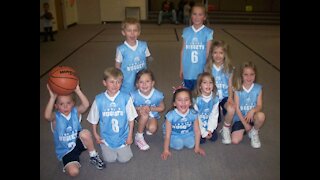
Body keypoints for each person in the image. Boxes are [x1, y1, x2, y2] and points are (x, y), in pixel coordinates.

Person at [44, 84, 105, 177]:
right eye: (61, 104)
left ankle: (93, 155)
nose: (65, 106)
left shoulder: (75, 111)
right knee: (74, 172)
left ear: (73, 103)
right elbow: (47, 116)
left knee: (85, 133)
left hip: (77, 142)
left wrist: (78, 91)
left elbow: (86, 105)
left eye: (68, 103)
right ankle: (71, 162)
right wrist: (52, 98)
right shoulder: (56, 118)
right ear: (56, 106)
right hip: (66, 150)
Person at [87, 67, 138, 163]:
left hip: (123, 136)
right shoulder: (99, 100)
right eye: (112, 82)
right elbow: (94, 119)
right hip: (106, 137)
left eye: (118, 82)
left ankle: (123, 147)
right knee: (110, 159)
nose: (115, 85)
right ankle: (106, 146)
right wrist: (95, 134)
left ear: (121, 83)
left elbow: (131, 119)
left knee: (124, 159)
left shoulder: (126, 98)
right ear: (104, 83)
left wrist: (130, 136)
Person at [161, 87, 205, 160]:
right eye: (179, 100)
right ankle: (177, 140)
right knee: (178, 145)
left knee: (191, 144)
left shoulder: (193, 114)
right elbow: (168, 134)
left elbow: (197, 131)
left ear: (190, 102)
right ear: (174, 103)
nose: (183, 103)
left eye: (186, 100)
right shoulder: (171, 116)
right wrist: (166, 150)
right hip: (174, 134)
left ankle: (186, 139)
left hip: (188, 133)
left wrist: (197, 147)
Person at [205, 40, 235, 145]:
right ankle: (218, 113)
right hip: (213, 97)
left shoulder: (229, 68)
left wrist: (230, 98)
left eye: (221, 53)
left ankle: (226, 128)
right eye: (215, 52)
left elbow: (230, 85)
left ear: (225, 54)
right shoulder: (208, 68)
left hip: (225, 97)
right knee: (215, 121)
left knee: (231, 109)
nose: (218, 55)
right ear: (211, 54)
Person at [231, 61, 266, 148]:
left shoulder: (258, 88)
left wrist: (252, 110)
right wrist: (244, 123)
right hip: (240, 118)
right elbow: (237, 109)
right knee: (235, 141)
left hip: (252, 117)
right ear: (241, 75)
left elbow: (259, 106)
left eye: (252, 74)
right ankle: (246, 129)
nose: (249, 77)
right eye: (246, 74)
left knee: (261, 116)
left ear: (255, 75)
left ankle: (254, 131)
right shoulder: (237, 89)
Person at [179, 4, 213, 91]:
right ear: (191, 16)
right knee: (187, 94)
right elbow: (183, 51)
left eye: (200, 14)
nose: (197, 17)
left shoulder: (208, 32)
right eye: (194, 14)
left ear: (204, 17)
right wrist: (181, 68)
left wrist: (207, 70)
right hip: (188, 69)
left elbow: (208, 53)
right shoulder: (186, 31)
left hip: (201, 70)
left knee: (200, 94)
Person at [131, 69, 165, 150]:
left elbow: (162, 108)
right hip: (138, 114)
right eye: (141, 82)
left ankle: (145, 124)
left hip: (151, 114)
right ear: (137, 85)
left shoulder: (157, 95)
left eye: (147, 81)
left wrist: (150, 108)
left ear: (152, 83)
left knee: (152, 129)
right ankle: (139, 136)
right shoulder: (134, 95)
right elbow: (129, 109)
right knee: (144, 115)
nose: (144, 84)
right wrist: (139, 108)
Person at [115, 17, 151, 94]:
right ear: (123, 32)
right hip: (127, 82)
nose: (132, 33)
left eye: (135, 30)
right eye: (129, 30)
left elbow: (147, 59)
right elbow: (117, 65)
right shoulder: (121, 49)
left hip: (142, 81)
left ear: (139, 32)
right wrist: (118, 79)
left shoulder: (143, 46)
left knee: (141, 99)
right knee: (129, 102)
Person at [193, 72, 219, 144]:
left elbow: (214, 115)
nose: (208, 85)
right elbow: (196, 118)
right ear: (200, 86)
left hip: (207, 122)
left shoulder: (215, 99)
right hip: (197, 123)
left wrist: (210, 129)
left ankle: (207, 131)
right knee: (201, 140)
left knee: (214, 137)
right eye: (205, 82)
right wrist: (203, 132)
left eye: (210, 82)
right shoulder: (196, 100)